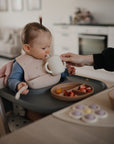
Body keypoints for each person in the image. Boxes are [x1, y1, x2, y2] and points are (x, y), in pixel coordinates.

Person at [7, 18, 75, 95]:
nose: (48, 51)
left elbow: (55, 72)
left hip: (56, 90)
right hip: (36, 96)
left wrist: (66, 72)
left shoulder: (47, 58)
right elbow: (12, 80)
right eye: (43, 48)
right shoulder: (21, 63)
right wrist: (18, 85)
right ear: (28, 48)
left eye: (49, 46)